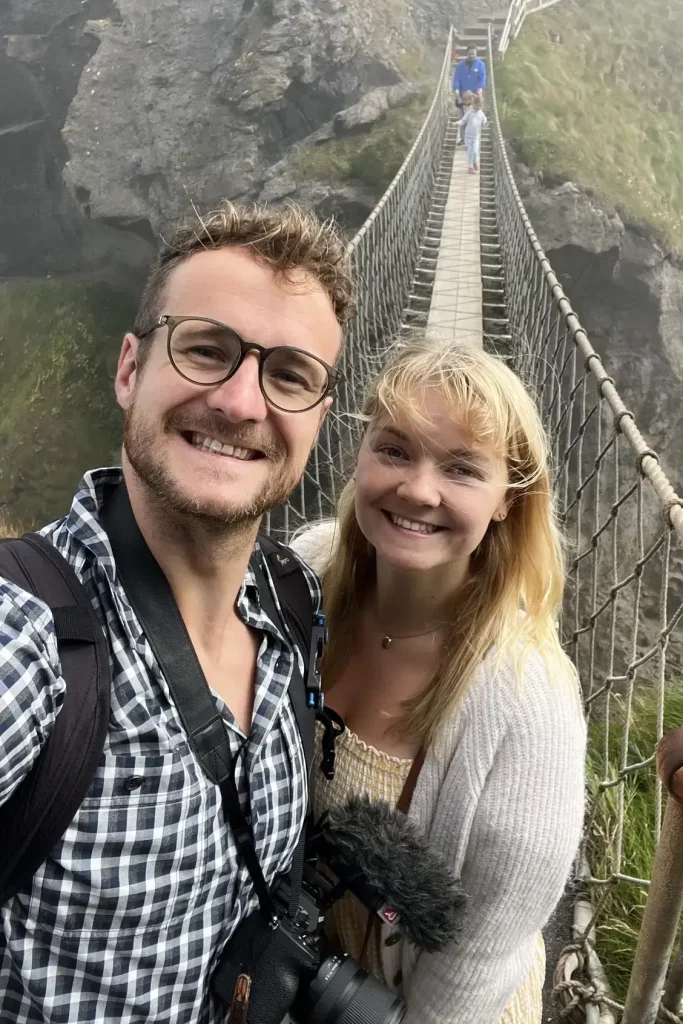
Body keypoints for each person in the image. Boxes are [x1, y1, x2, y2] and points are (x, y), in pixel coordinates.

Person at [0, 201, 354, 1024]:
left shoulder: (293, 599)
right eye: (205, 350)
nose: (239, 402)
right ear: (129, 368)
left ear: (318, 422)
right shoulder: (32, 643)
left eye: (290, 375)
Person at [291, 338, 586, 1024]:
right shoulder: (302, 574)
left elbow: (474, 960)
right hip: (298, 978)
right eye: (393, 449)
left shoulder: (527, 704)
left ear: (507, 501)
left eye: (460, 468)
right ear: (359, 452)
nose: (417, 489)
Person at [453, 44, 487, 110]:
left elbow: (483, 77)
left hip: (475, 95)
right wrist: (456, 89)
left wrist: (480, 88)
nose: (472, 56)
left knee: (474, 115)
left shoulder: (480, 65)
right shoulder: (460, 65)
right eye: (470, 54)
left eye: (473, 54)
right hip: (463, 95)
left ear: (476, 54)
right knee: (463, 116)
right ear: (467, 53)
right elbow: (456, 78)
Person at [459, 94, 488, 173]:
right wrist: (456, 123)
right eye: (477, 105)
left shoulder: (481, 114)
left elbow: (485, 122)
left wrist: (485, 124)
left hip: (476, 136)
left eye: (480, 106)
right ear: (473, 104)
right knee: (470, 151)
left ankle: (475, 161)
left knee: (475, 151)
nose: (478, 107)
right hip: (468, 136)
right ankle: (470, 167)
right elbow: (463, 121)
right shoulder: (469, 113)